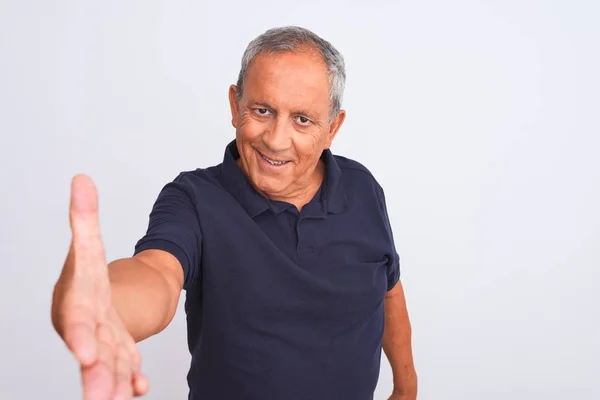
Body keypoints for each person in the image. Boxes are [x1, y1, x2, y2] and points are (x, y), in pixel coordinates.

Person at [51, 26, 417, 400]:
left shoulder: (362, 187)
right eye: (262, 110)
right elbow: (156, 272)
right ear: (234, 105)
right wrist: (106, 305)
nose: (275, 139)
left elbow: (387, 288)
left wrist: (406, 389)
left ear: (333, 128)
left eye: (302, 120)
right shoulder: (193, 199)